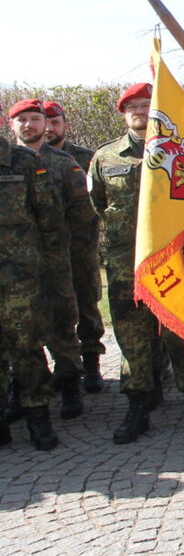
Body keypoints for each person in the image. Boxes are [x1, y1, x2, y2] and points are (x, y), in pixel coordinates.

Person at [89, 83, 184, 444]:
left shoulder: (183, 150)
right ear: (122, 112)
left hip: (177, 263)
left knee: (182, 333)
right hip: (126, 266)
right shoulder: (106, 158)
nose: (140, 110)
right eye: (132, 106)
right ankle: (138, 406)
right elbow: (99, 204)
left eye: (147, 104)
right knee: (133, 339)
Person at [8, 99, 92, 420]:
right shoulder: (8, 162)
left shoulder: (63, 162)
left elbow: (82, 211)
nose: (28, 126)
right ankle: (24, 387)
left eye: (34, 119)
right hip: (12, 266)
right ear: (11, 125)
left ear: (46, 124)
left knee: (61, 321)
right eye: (21, 120)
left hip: (55, 258)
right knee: (18, 331)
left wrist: (62, 245)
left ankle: (70, 382)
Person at [0, 131, 64, 450]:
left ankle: (38, 414)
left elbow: (50, 222)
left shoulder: (23, 162)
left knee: (27, 347)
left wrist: (47, 272)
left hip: (20, 279)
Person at [42, 100, 106, 393]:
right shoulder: (27, 159)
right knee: (48, 308)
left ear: (65, 125)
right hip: (42, 250)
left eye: (55, 122)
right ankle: (57, 369)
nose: (50, 128)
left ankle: (91, 364)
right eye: (46, 122)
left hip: (80, 246)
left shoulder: (85, 157)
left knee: (86, 303)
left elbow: (98, 202)